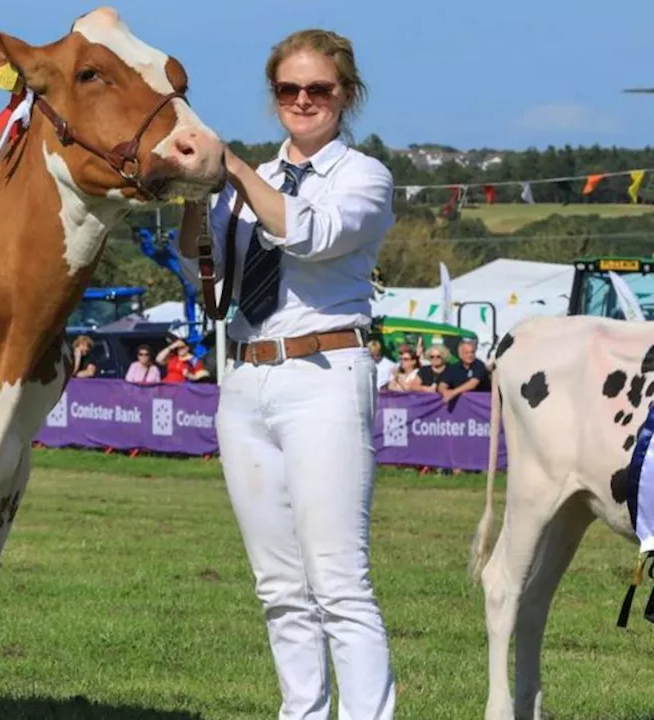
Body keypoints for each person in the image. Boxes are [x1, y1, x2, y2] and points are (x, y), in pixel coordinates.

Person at [176, 28, 396, 719]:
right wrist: (192, 193)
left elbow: (308, 233)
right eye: (288, 89)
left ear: (346, 96)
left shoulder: (365, 177)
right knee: (277, 586)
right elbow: (197, 265)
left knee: (339, 583)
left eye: (318, 89)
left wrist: (234, 170)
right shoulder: (252, 180)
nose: (303, 101)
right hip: (243, 378)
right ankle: (299, 712)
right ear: (274, 99)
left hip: (324, 372)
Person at [437, 338, 490, 403]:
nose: (470, 355)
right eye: (466, 353)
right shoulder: (453, 368)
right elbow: (442, 385)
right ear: (460, 355)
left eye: (472, 352)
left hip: (480, 404)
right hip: (461, 407)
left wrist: (453, 393)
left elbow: (472, 384)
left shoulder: (479, 365)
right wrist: (445, 392)